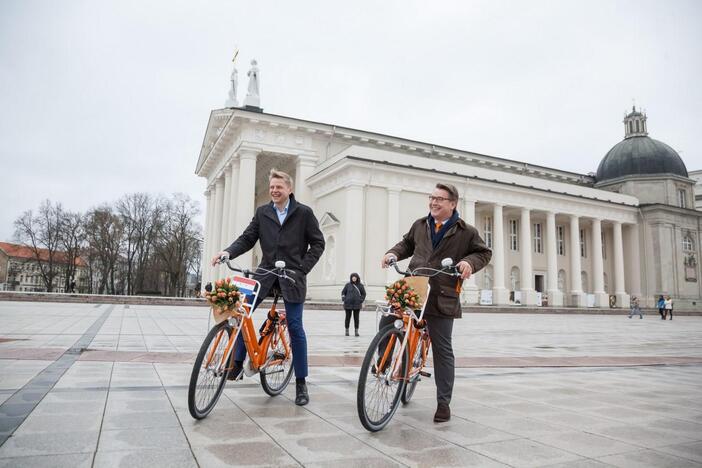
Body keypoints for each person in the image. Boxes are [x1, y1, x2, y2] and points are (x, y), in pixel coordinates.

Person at [212, 169, 325, 406]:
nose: (274, 191)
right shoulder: (263, 212)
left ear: (289, 189)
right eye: (272, 187)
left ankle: (301, 382)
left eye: (279, 187)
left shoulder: (304, 213)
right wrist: (227, 252)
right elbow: (248, 237)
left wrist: (302, 268)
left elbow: (318, 243)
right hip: (265, 274)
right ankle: (237, 364)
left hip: (292, 276)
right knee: (242, 313)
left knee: (295, 327)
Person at [381, 182, 492, 423]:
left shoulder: (466, 232)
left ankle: (443, 402)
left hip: (442, 291)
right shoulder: (420, 225)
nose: (434, 202)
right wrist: (393, 253)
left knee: (442, 349)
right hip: (414, 284)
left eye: (440, 199)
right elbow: (406, 245)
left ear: (453, 204)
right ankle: (382, 363)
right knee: (388, 317)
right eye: (432, 197)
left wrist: (469, 263)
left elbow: (483, 253)